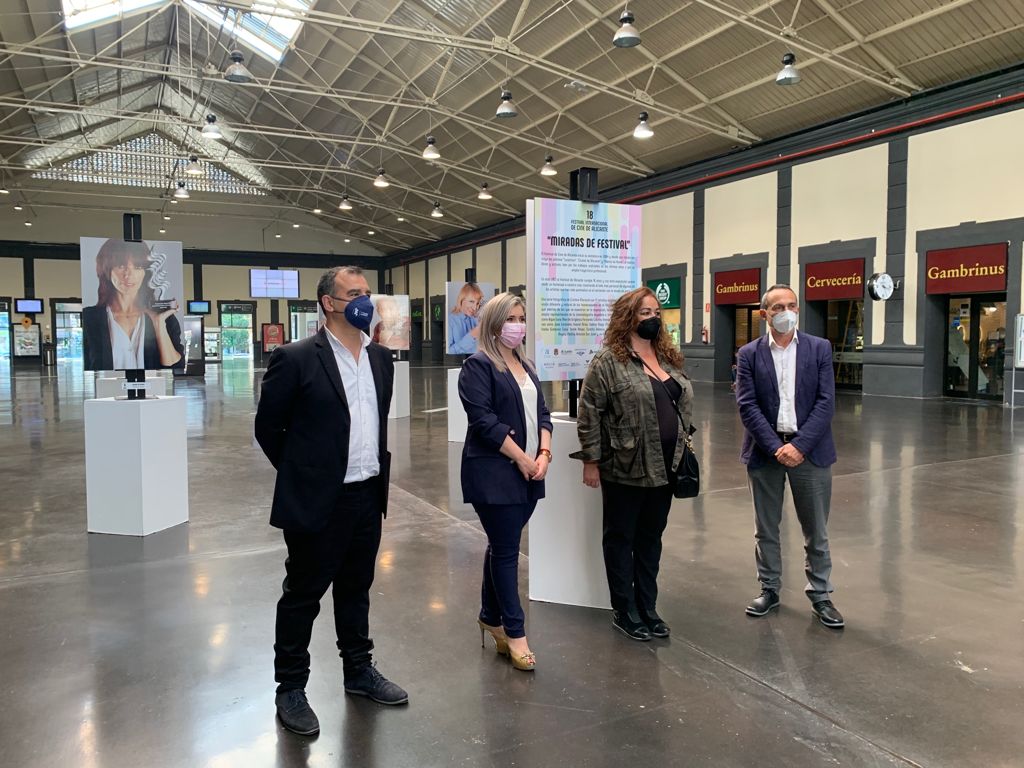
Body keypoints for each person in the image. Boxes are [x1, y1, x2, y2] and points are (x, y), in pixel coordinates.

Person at [255, 266, 407, 738]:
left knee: (356, 589)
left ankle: (358, 670)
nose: (364, 301)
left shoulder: (380, 358)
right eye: (353, 293)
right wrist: (306, 474)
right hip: (319, 500)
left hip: (367, 494)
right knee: (302, 595)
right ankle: (290, 688)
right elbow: (268, 428)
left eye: (367, 293)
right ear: (328, 302)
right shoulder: (297, 357)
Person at [571, 286, 693, 641]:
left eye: (656, 312)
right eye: (645, 313)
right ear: (628, 318)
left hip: (667, 467)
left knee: (651, 540)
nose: (653, 318)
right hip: (625, 467)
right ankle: (624, 610)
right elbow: (589, 414)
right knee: (621, 539)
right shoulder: (608, 361)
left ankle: (648, 607)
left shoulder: (667, 357)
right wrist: (591, 460)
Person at [735, 284, 844, 629]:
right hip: (765, 451)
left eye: (792, 305)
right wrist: (775, 447)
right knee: (766, 528)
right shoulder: (749, 354)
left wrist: (799, 446)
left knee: (816, 530)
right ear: (764, 314)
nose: (787, 312)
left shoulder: (819, 348)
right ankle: (769, 589)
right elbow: (747, 405)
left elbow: (826, 402)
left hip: (810, 452)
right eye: (778, 307)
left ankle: (821, 594)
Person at [458, 292, 553, 671]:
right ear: (495, 324)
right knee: (508, 550)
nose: (518, 325)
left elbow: (543, 413)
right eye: (511, 318)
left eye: (521, 317)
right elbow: (484, 422)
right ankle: (515, 633)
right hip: (495, 473)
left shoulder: (526, 365)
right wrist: (522, 458)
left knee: (501, 545)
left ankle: (489, 616)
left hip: (530, 470)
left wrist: (543, 453)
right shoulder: (478, 367)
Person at [82, 239, 183, 370]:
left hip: (151, 384)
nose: (128, 275)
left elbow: (175, 366)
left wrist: (159, 324)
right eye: (121, 266)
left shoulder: (164, 317)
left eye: (137, 267)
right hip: (109, 384)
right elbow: (87, 367)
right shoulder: (90, 318)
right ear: (107, 270)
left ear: (145, 273)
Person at [448, 282, 484, 354]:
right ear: (461, 300)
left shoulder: (476, 319)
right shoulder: (450, 320)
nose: (475, 308)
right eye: (471, 301)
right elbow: (449, 351)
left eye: (477, 303)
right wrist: (471, 336)